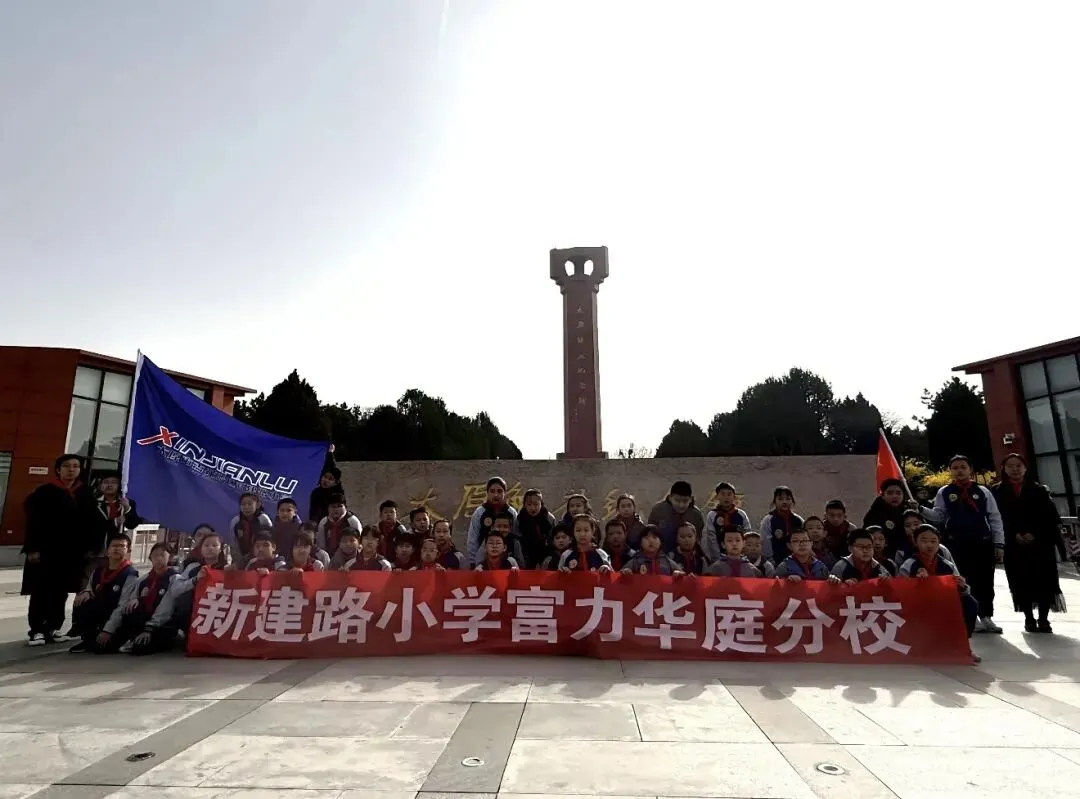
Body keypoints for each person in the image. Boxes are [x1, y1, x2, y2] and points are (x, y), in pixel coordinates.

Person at [925, 454, 1005, 634]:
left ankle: (986, 616)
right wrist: (921, 509)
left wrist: (999, 543)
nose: (959, 471)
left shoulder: (983, 491)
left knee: (985, 581)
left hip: (982, 543)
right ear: (950, 471)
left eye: (963, 467)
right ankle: (970, 617)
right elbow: (939, 516)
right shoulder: (945, 492)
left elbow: (994, 517)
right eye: (955, 468)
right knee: (962, 580)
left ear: (970, 470)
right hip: (957, 544)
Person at [22, 453, 95, 646]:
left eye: (75, 466)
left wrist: (89, 548)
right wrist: (32, 548)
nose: (71, 470)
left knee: (61, 592)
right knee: (40, 591)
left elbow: (90, 524)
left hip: (71, 553)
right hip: (45, 551)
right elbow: (33, 522)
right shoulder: (44, 492)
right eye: (67, 466)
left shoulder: (85, 493)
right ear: (58, 470)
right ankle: (37, 630)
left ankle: (53, 627)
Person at [992, 453, 1066, 633]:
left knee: (1044, 580)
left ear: (1025, 468)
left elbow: (1050, 518)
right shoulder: (996, 492)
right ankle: (1029, 618)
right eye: (1010, 466)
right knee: (1020, 581)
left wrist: (1034, 533)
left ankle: (1044, 619)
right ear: (1004, 469)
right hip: (1013, 545)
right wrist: (1013, 534)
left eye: (1018, 465)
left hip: (1040, 545)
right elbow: (996, 518)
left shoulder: (1040, 490)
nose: (1015, 469)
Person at [899, 523, 981, 661]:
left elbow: (963, 590)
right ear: (916, 542)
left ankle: (963, 645)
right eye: (924, 541)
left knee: (970, 603)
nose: (929, 545)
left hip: (943, 604)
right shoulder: (909, 564)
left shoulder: (947, 565)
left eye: (933, 541)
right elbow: (899, 590)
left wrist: (961, 586)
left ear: (939, 543)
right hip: (919, 605)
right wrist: (916, 582)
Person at [142, 529, 228, 648]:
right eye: (206, 545)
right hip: (195, 612)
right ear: (201, 548)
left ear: (221, 548)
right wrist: (195, 580)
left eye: (214, 545)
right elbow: (175, 590)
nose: (210, 548)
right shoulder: (193, 567)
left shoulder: (229, 568)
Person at [68, 532, 140, 653]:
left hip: (118, 618)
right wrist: (87, 592)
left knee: (102, 649)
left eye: (122, 546)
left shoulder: (130, 574)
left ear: (128, 551)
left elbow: (122, 606)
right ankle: (87, 638)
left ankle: (119, 638)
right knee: (82, 600)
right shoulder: (98, 571)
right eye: (114, 546)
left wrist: (108, 630)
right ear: (107, 551)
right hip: (101, 612)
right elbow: (90, 588)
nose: (117, 549)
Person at [110, 543, 178, 654]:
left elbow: (167, 607)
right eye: (155, 555)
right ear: (150, 558)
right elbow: (132, 597)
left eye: (162, 555)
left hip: (162, 624)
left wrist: (149, 628)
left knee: (140, 648)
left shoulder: (174, 578)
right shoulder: (144, 579)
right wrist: (135, 599)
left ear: (170, 557)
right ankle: (132, 636)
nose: (158, 558)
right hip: (143, 621)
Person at [87, 469, 143, 581]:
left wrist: (127, 509)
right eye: (106, 482)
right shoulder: (91, 503)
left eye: (113, 482)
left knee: (114, 582)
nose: (109, 485)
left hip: (118, 553)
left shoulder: (126, 503)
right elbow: (90, 526)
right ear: (100, 485)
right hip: (96, 553)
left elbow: (132, 524)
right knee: (92, 582)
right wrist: (114, 523)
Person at [466, 477, 519, 566]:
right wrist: (473, 562)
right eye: (492, 491)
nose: (496, 495)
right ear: (487, 493)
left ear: (505, 493)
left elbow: (516, 537)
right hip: (484, 560)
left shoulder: (511, 513)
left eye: (499, 491)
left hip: (508, 559)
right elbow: (473, 539)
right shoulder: (480, 512)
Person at [647, 481, 706, 554]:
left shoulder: (696, 515)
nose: (681, 505)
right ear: (670, 497)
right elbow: (650, 534)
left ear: (691, 499)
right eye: (677, 500)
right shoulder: (658, 510)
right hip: (662, 555)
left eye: (685, 501)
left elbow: (698, 538)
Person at [703, 482, 752, 561]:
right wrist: (717, 558)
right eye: (723, 494)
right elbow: (711, 538)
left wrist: (743, 555)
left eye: (729, 494)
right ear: (717, 497)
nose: (726, 497)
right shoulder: (712, 515)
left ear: (734, 497)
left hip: (740, 557)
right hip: (719, 557)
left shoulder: (741, 514)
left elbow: (747, 535)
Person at [759, 486, 805, 563]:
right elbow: (766, 543)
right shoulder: (768, 520)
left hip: (799, 560)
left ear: (792, 501)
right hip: (776, 561)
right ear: (774, 501)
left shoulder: (799, 520)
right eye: (780, 499)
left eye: (788, 499)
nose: (784, 502)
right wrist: (770, 561)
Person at [774, 529, 839, 582]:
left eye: (805, 540)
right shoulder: (784, 567)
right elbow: (776, 587)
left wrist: (832, 579)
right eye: (796, 541)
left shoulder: (821, 567)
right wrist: (786, 580)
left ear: (811, 543)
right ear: (789, 546)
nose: (802, 544)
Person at [514, 488, 557, 568]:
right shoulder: (520, 519)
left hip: (545, 551)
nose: (532, 508)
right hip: (525, 552)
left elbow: (552, 540)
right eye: (529, 504)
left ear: (541, 504)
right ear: (524, 505)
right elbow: (517, 539)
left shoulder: (549, 519)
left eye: (536, 504)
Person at [230, 493, 273, 563]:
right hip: (241, 558)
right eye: (243, 504)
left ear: (257, 505)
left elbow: (270, 540)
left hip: (261, 557)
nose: (246, 507)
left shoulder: (263, 519)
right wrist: (240, 562)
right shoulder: (235, 521)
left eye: (250, 504)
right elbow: (234, 544)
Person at [317, 493, 361, 560]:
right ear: (328, 508)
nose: (336, 509)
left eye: (339, 506)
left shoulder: (352, 521)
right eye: (333, 506)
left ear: (345, 507)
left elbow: (359, 544)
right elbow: (321, 545)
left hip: (351, 558)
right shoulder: (323, 522)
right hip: (329, 559)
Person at [308, 464, 342, 528]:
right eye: (325, 477)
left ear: (335, 483)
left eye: (330, 479)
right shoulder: (316, 492)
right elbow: (313, 512)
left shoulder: (338, 496)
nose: (326, 480)